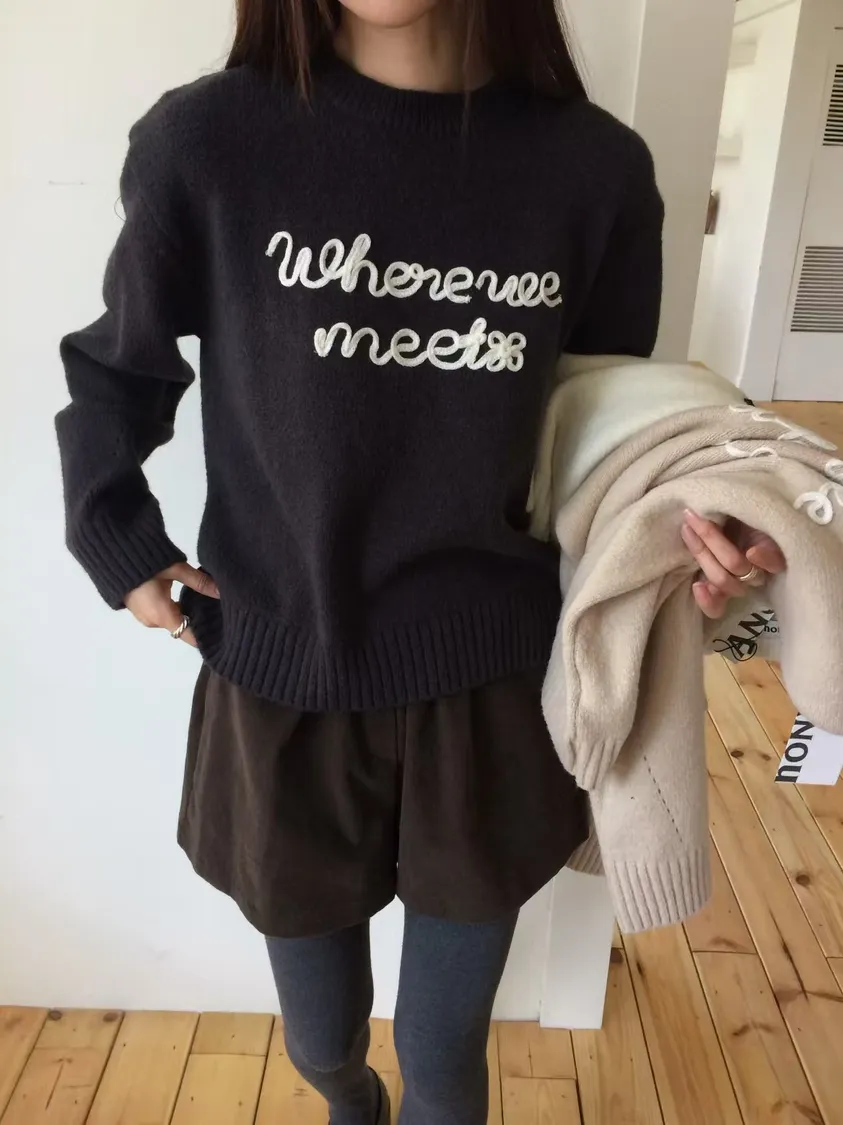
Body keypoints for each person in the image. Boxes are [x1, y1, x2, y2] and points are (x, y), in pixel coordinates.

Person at [56, 2, 785, 1122]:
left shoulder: (592, 171)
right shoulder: (206, 144)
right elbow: (120, 367)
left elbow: (605, 433)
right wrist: (119, 539)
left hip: (490, 683)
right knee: (320, 1043)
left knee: (445, 1061)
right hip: (281, 672)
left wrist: (688, 538)